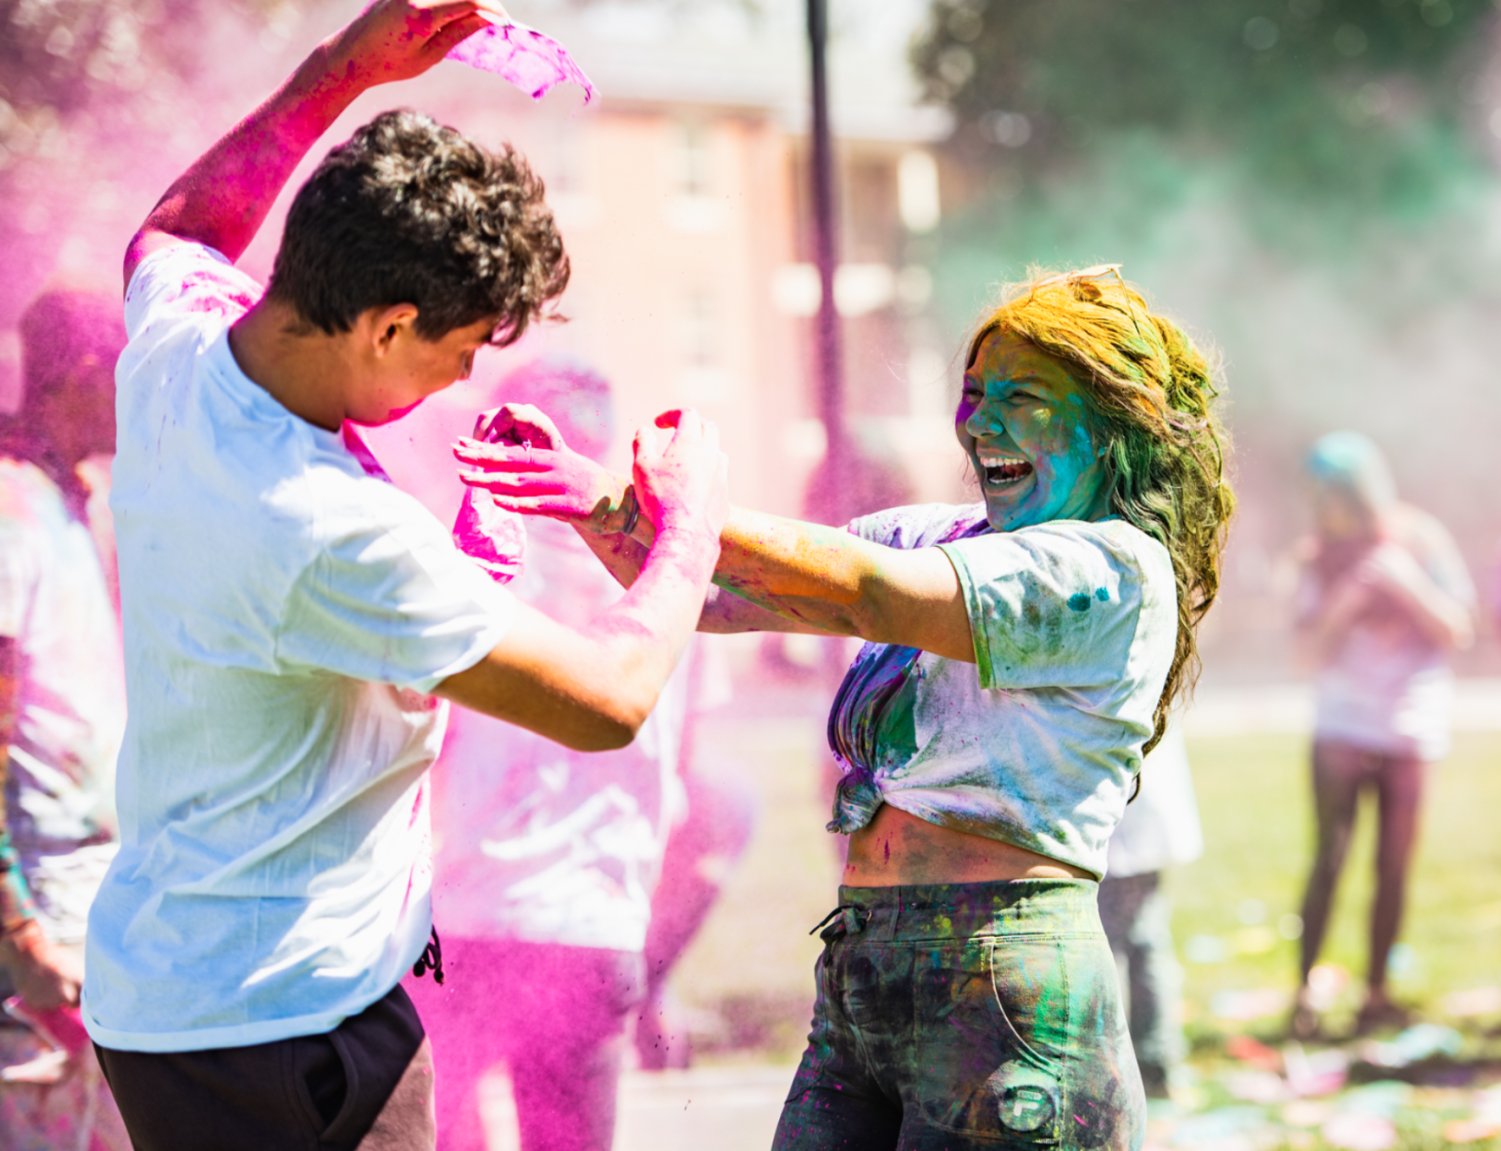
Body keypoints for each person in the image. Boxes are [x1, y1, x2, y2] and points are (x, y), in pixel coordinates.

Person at [81, 4, 729, 1149]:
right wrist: (689, 524)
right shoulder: (333, 526)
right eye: (462, 346)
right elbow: (609, 697)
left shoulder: (181, 351)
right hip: (298, 1021)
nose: (466, 377)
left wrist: (342, 71)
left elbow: (177, 230)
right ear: (385, 325)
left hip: (160, 1002)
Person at [459, 264, 1236, 1150]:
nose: (981, 421)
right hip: (862, 972)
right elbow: (710, 595)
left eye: (1022, 397)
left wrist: (685, 508)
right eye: (974, 393)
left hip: (1004, 988)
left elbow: (868, 591)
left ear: (1107, 429)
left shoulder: (1107, 568)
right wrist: (581, 495)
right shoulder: (940, 534)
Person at [408, 359, 747, 1151]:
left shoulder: (467, 567)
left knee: (442, 1135)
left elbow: (422, 745)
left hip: (468, 918)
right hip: (598, 926)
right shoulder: (661, 579)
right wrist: (657, 965)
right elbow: (688, 783)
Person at [1289, 431, 1474, 1039]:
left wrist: (1406, 584)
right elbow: (1304, 654)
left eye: (1339, 495)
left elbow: (1459, 630)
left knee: (1393, 865)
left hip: (1411, 726)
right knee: (1330, 859)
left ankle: (1376, 993)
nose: (1331, 509)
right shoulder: (1316, 555)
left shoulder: (1421, 539)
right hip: (1343, 725)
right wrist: (1343, 603)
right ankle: (1305, 992)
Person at [0, 287, 130, 1150]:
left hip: (93, 911)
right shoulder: (11, 506)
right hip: (37, 912)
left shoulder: (80, 502)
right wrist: (14, 924)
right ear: (85, 374)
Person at [1096, 720, 1202, 1101]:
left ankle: (1149, 1065)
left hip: (1127, 813)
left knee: (1128, 942)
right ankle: (1154, 1066)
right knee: (1142, 940)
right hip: (1134, 813)